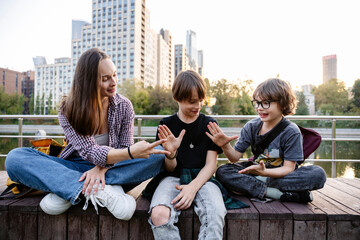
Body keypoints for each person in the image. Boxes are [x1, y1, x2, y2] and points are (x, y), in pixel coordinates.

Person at [5, 48, 169, 220]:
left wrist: (101, 169)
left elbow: (123, 149)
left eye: (114, 75)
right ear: (88, 81)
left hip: (113, 167)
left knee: (158, 157)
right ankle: (100, 191)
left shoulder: (124, 106)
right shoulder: (68, 109)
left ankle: (69, 189)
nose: (113, 82)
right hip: (74, 166)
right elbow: (90, 152)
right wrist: (129, 153)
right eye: (105, 79)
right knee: (15, 158)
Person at [206, 78, 327, 203]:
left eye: (266, 103)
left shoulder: (291, 131)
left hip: (282, 174)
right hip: (256, 170)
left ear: (283, 104)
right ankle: (275, 193)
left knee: (318, 174)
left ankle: (255, 187)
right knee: (222, 172)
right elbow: (234, 158)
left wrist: (264, 173)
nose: (259, 108)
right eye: (257, 103)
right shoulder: (251, 127)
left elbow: (288, 168)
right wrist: (225, 146)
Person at [147, 70, 227, 240]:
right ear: (177, 98)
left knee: (215, 213)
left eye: (200, 100)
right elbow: (170, 168)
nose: (197, 106)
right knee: (159, 214)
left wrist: (193, 187)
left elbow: (211, 165)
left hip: (203, 177)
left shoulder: (209, 124)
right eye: (192, 101)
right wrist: (171, 153)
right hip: (172, 178)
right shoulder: (166, 125)